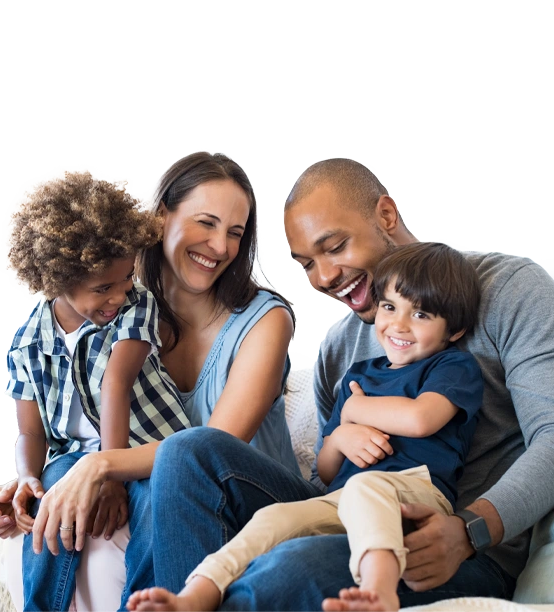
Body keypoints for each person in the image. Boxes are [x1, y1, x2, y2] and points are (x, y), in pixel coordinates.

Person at [144, 157, 554, 611]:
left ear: (385, 215)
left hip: (451, 545)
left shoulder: (508, 289)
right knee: (188, 451)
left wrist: (470, 530)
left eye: (335, 246)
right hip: (351, 514)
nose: (323, 278)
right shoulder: (340, 351)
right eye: (306, 265)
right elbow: (330, 478)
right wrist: (341, 437)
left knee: (287, 569)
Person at [0, 152, 307, 612]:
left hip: (249, 500)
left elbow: (213, 447)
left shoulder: (263, 322)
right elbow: (58, 421)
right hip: (163, 486)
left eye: (235, 233)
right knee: (64, 496)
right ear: (159, 218)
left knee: (169, 473)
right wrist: (30, 484)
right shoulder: (114, 311)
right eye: (206, 223)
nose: (220, 247)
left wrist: (101, 466)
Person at [127, 242, 483, 612]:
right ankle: (195, 595)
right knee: (273, 518)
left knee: (366, 485)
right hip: (341, 499)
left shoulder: (451, 367)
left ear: (454, 330)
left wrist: (356, 410)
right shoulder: (359, 375)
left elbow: (420, 419)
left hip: (416, 495)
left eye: (421, 315)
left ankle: (380, 591)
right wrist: (342, 433)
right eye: (390, 307)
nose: (399, 325)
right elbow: (327, 471)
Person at [4, 169, 191, 612]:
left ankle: (144, 604)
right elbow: (31, 433)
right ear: (57, 280)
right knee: (51, 496)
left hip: (150, 448)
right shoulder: (28, 343)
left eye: (126, 278)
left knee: (154, 508)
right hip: (74, 457)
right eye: (102, 288)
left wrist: (109, 474)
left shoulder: (135, 305)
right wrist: (27, 478)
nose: (119, 294)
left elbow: (115, 384)